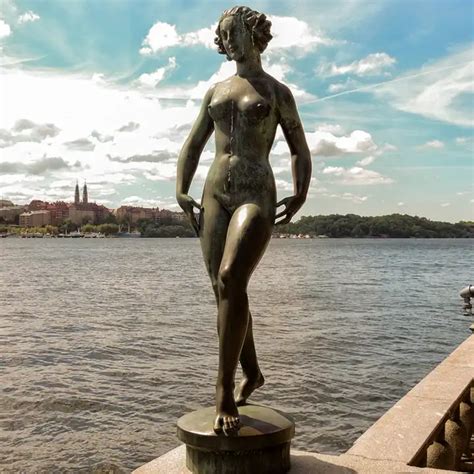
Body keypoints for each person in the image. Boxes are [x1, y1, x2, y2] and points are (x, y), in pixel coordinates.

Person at [176, 5, 312, 436]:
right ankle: (252, 371)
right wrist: (181, 188)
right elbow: (193, 144)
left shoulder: (276, 92)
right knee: (223, 289)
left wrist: (301, 191)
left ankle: (224, 389)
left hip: (257, 194)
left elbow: (298, 147)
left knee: (232, 276)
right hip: (214, 194)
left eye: (234, 32)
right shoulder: (215, 91)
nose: (228, 41)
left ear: (254, 35)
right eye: (223, 35)